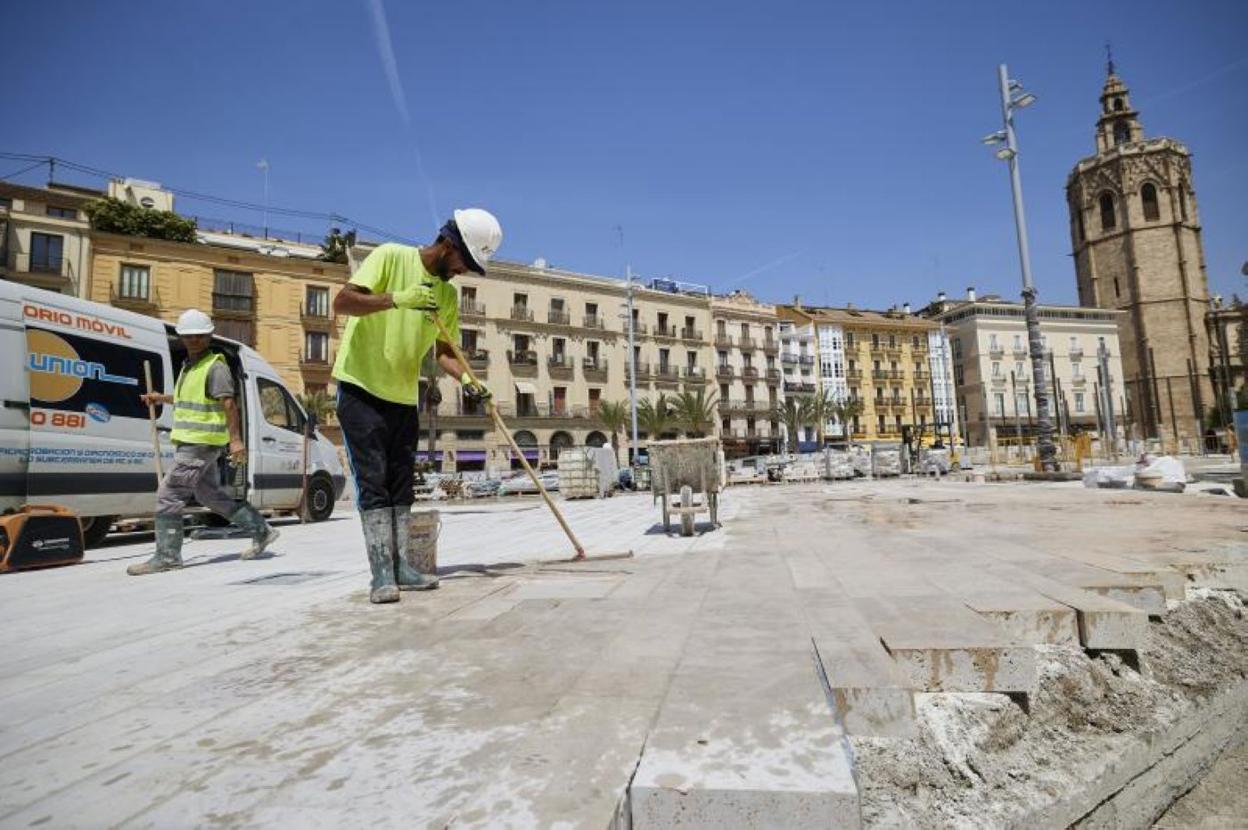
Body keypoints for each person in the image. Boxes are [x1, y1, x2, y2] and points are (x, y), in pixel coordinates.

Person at [333, 208, 502, 604]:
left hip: (402, 396)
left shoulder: (446, 295)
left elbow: (445, 352)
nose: (464, 271)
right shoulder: (391, 257)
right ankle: (380, 575)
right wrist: (397, 300)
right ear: (449, 246)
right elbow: (343, 302)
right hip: (361, 388)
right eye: (466, 262)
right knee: (372, 482)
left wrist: (469, 381)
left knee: (401, 485)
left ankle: (403, 568)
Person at [128, 309, 279, 575]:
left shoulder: (215, 366)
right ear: (182, 338)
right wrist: (160, 398)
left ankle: (167, 556)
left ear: (208, 336)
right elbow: (189, 400)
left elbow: (229, 404)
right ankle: (262, 530)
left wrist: (236, 441)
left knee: (169, 495)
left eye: (199, 336)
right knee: (209, 495)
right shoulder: (190, 366)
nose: (194, 340)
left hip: (200, 443)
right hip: (194, 441)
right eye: (189, 336)